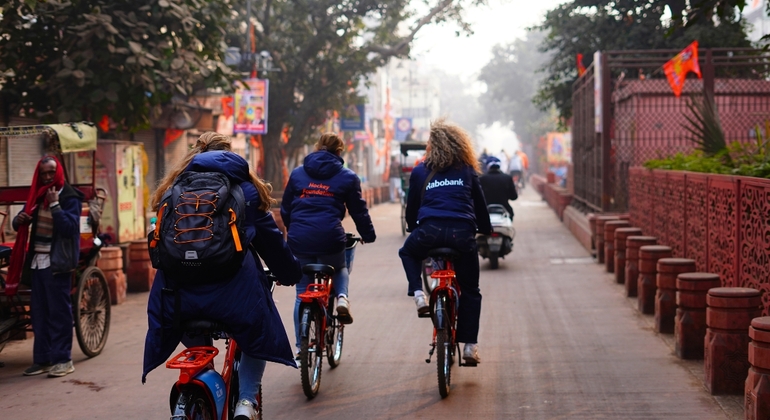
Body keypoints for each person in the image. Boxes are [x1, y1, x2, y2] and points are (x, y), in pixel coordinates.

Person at [142, 132, 301, 420]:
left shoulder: (173, 189)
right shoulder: (247, 191)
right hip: (234, 298)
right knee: (257, 330)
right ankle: (247, 402)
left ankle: (202, 384)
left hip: (178, 298)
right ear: (229, 154)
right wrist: (289, 273)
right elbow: (272, 244)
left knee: (190, 329)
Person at [398, 118, 491, 365]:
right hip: (462, 235)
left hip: (429, 231)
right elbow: (480, 206)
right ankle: (470, 346)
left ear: (432, 145)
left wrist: (411, 226)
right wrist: (486, 229)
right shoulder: (467, 170)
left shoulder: (420, 171)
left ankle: (418, 293)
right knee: (470, 290)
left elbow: (412, 207)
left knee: (407, 252)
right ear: (459, 145)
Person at [281, 133, 376, 356]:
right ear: (339, 152)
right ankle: (342, 297)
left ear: (317, 148)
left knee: (301, 292)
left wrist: (293, 229)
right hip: (330, 239)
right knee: (340, 267)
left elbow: (286, 209)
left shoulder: (297, 173)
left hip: (299, 240)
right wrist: (368, 235)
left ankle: (300, 347)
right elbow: (359, 211)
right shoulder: (347, 177)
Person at [9, 156, 83, 378]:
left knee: (59, 313)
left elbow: (70, 227)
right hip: (37, 262)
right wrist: (19, 219)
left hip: (57, 263)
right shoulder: (37, 195)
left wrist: (55, 205)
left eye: (52, 172)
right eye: (44, 174)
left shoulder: (69, 196)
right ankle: (42, 359)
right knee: (40, 313)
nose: (48, 177)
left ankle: (63, 359)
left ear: (58, 172)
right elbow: (18, 221)